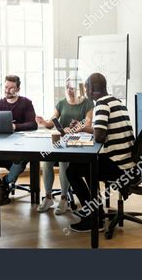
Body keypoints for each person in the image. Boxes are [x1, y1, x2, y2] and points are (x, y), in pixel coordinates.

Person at [66, 73, 136, 232]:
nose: (84, 91)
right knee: (86, 167)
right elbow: (102, 130)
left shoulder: (102, 105)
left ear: (91, 89)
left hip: (119, 166)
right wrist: (83, 128)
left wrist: (79, 140)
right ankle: (96, 213)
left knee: (73, 170)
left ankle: (92, 218)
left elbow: (99, 137)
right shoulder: (115, 102)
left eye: (85, 88)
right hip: (127, 162)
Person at [35, 76, 94, 214]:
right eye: (67, 87)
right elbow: (51, 123)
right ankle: (48, 197)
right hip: (63, 140)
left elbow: (88, 124)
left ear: (79, 89)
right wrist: (44, 122)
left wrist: (75, 127)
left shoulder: (88, 103)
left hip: (78, 141)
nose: (70, 90)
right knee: (47, 162)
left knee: (63, 161)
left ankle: (63, 199)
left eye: (72, 88)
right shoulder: (61, 103)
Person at [0, 75, 38, 205]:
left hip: (18, 148)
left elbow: (33, 124)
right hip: (0, 146)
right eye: (6, 87)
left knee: (20, 161)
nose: (7, 90)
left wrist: (15, 126)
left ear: (18, 89)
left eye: (11, 88)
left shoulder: (26, 103)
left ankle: (5, 182)